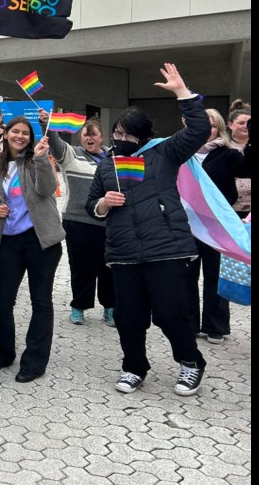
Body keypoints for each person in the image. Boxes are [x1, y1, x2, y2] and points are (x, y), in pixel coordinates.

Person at [86, 63, 210, 396]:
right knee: (129, 317)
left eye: (128, 135)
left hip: (167, 248)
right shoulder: (107, 164)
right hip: (124, 252)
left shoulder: (164, 152)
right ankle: (134, 367)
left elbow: (199, 130)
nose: (121, 140)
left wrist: (183, 93)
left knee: (171, 314)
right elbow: (92, 205)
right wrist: (103, 205)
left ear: (143, 136)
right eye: (117, 134)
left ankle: (190, 362)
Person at [0, 116, 65, 384]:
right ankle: (4, 353)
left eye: (25, 133)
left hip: (40, 241)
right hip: (8, 241)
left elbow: (48, 189)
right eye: (15, 132)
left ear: (31, 138)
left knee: (40, 302)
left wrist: (43, 159)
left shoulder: (36, 161)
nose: (20, 136)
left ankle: (35, 361)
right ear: (6, 134)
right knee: (2, 300)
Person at [35, 109, 114, 327]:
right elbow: (55, 142)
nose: (89, 138)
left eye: (94, 134)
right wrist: (46, 125)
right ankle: (78, 307)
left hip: (109, 222)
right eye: (86, 135)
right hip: (78, 222)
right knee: (82, 267)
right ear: (81, 137)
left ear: (102, 137)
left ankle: (110, 308)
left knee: (109, 267)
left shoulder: (113, 158)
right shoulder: (71, 155)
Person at [188, 109, 248, 344]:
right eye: (203, 124)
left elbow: (246, 169)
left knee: (215, 274)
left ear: (220, 129)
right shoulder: (184, 151)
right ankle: (189, 323)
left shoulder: (228, 154)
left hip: (216, 224)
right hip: (188, 223)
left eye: (212, 125)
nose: (207, 129)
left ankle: (215, 326)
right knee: (187, 275)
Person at [228, 100, 251, 218]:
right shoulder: (221, 148)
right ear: (230, 124)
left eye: (248, 123)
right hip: (230, 209)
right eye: (241, 123)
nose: (245, 126)